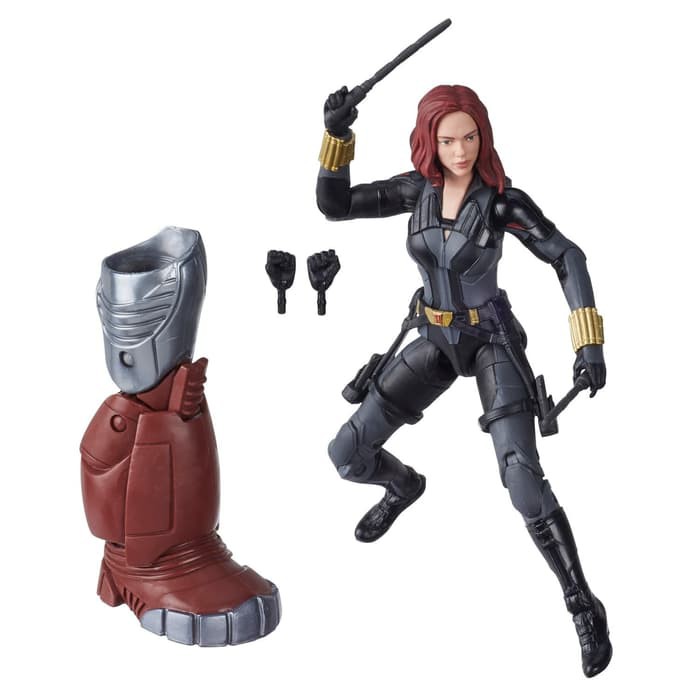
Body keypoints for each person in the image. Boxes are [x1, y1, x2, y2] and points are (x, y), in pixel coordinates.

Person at [316, 84, 611, 677]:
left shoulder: (502, 204)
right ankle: (403, 487)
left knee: (522, 478)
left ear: (483, 135)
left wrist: (589, 339)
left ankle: (583, 602)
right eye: (448, 139)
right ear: (430, 139)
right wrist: (337, 136)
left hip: (491, 341)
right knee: (346, 454)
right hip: (433, 340)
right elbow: (335, 205)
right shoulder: (415, 191)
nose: (460, 150)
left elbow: (567, 256)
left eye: (470, 137)